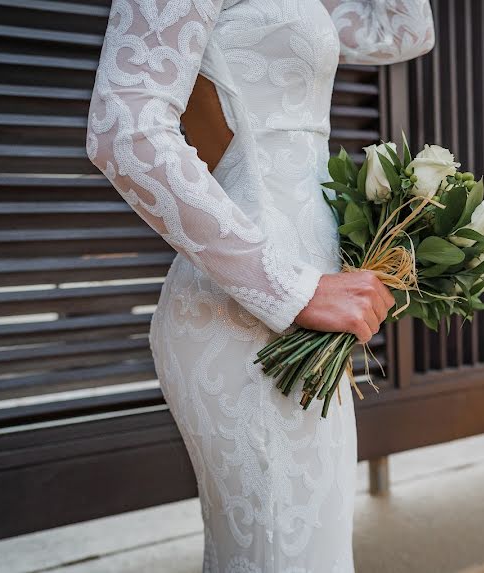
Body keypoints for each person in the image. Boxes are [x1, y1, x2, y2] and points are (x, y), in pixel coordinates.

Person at [85, 1, 435, 570]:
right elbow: (122, 128)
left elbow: (402, 30)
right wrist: (291, 289)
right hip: (252, 311)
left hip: (310, 313)